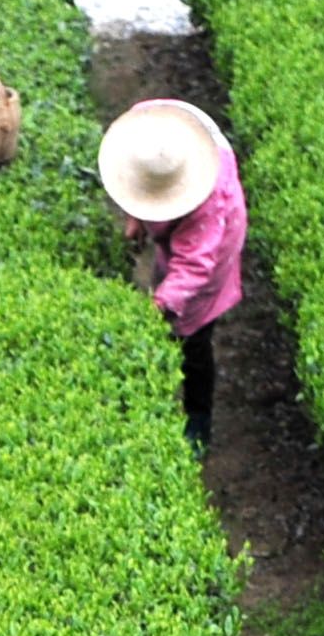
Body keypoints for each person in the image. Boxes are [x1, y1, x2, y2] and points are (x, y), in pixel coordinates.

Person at [102, 96, 245, 448]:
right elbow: (137, 174)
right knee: (166, 293)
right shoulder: (151, 128)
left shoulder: (209, 204)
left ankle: (199, 420)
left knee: (192, 337)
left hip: (213, 251)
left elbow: (194, 266)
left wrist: (160, 304)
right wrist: (135, 217)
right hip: (184, 236)